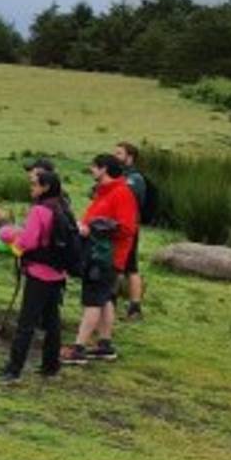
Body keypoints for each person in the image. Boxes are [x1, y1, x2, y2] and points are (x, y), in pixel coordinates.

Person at [0, 168, 72, 383]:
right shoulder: (63, 206)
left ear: (45, 187)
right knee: (52, 321)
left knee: (26, 323)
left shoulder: (39, 210)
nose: (31, 188)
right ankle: (51, 367)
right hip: (58, 273)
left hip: (39, 273)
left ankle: (13, 370)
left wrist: (14, 243)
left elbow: (28, 242)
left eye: (34, 184)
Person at [63, 154, 139, 366]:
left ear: (104, 169)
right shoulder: (105, 191)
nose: (91, 170)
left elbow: (127, 228)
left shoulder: (121, 193)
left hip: (105, 256)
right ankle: (105, 345)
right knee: (105, 299)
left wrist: (92, 229)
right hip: (99, 253)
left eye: (94, 167)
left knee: (93, 300)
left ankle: (79, 348)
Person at [113, 141, 147, 321]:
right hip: (114, 227)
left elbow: (128, 199)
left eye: (119, 153)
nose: (115, 156)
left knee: (130, 268)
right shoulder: (118, 175)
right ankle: (111, 304)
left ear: (130, 157)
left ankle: (135, 308)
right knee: (116, 266)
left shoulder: (135, 178)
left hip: (129, 227)